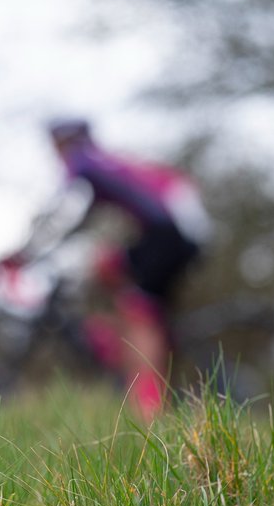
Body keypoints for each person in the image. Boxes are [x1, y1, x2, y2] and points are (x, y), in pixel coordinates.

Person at [39, 117, 206, 421]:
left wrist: (25, 250)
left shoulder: (83, 161)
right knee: (105, 265)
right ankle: (123, 344)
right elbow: (82, 218)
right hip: (172, 232)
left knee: (139, 309)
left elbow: (61, 211)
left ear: (65, 142)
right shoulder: (106, 165)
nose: (55, 154)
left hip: (169, 234)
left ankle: (148, 403)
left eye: (55, 145)